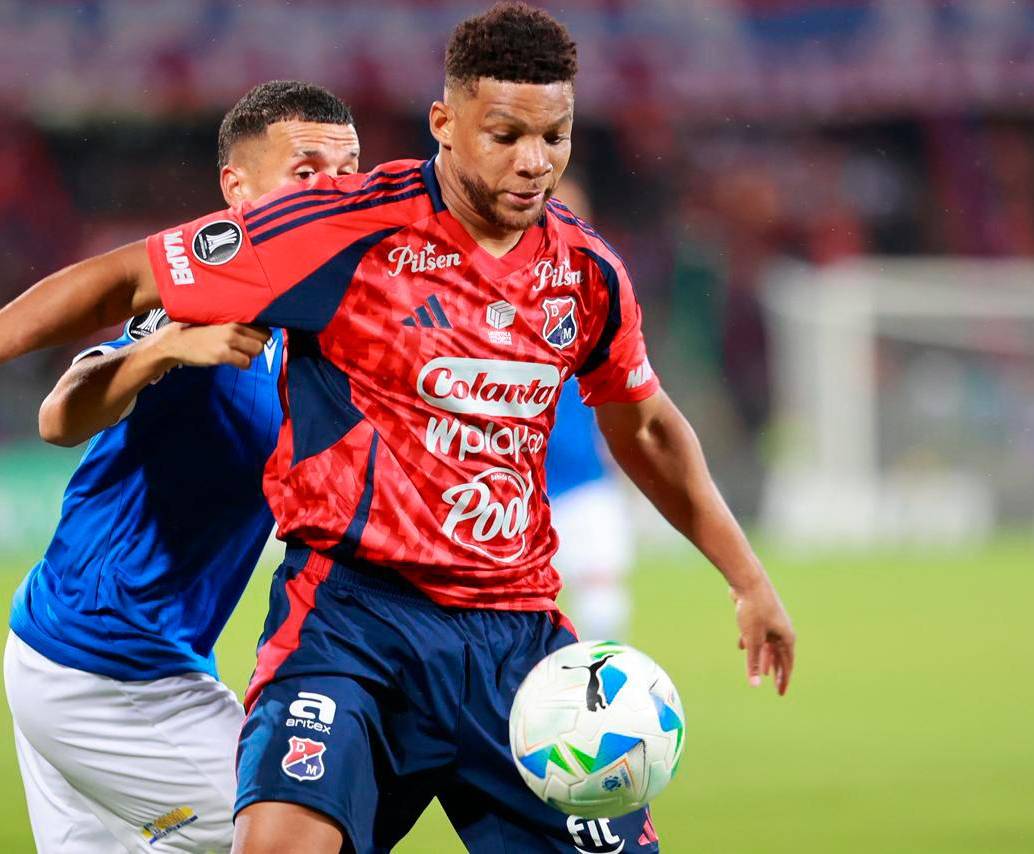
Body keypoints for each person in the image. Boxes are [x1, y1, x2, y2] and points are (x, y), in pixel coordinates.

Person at [0, 5, 796, 853]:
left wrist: (747, 577)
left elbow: (647, 427)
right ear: (444, 124)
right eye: (505, 135)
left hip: (511, 637)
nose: (534, 162)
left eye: (554, 136)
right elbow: (120, 284)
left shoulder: (588, 273)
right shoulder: (331, 228)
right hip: (351, 621)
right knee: (271, 842)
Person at [2, 80, 360, 853]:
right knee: (300, 831)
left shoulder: (323, 316)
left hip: (96, 654)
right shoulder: (203, 293)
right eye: (306, 171)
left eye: (348, 170)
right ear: (239, 189)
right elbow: (60, 416)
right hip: (106, 673)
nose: (335, 190)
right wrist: (162, 349)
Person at [545, 174, 635, 641]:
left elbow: (624, 388)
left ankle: (594, 682)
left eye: (571, 215)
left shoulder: (600, 290)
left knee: (602, 605)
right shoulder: (488, 286)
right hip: (514, 483)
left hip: (584, 478)